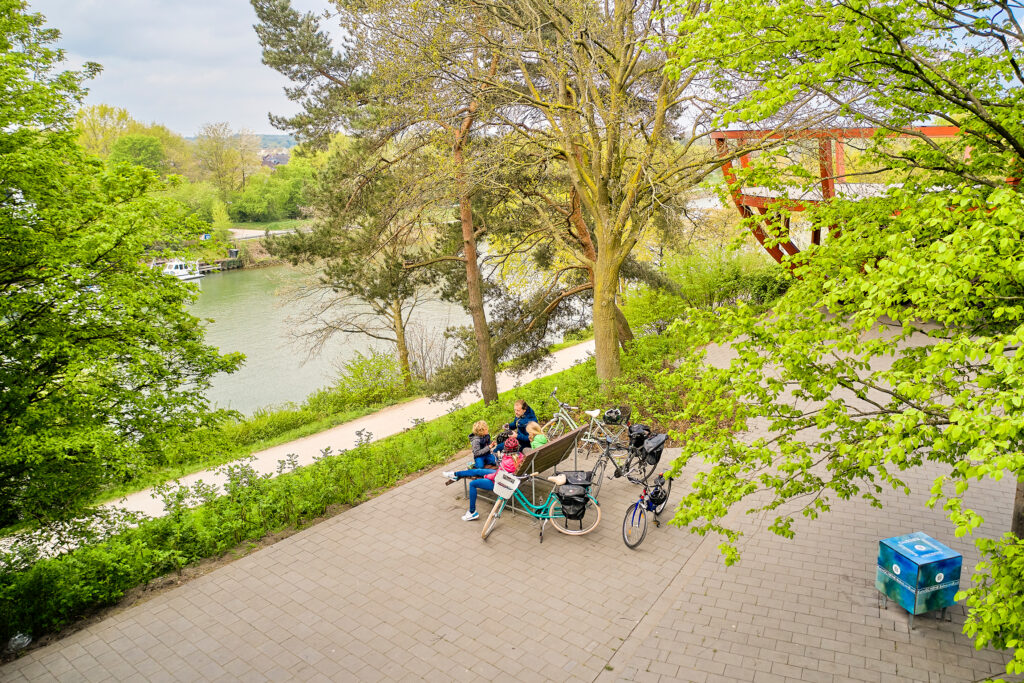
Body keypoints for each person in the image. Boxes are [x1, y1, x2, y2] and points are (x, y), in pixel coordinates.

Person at [443, 436, 523, 521]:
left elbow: (496, 476)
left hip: (500, 482)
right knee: (479, 471)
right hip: (507, 478)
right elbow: (499, 472)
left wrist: (486, 476)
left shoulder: (507, 462)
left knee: (472, 484)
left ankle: (472, 512)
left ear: (506, 449)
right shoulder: (520, 456)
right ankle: (455, 474)